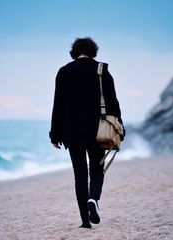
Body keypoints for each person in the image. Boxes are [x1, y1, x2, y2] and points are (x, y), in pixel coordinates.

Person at [49, 37, 124, 229]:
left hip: (71, 132)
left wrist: (54, 134)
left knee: (79, 174)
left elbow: (58, 105)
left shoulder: (64, 72)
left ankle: (85, 221)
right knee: (97, 169)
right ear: (93, 51)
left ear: (75, 51)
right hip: (97, 130)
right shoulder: (102, 70)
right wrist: (119, 126)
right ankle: (94, 199)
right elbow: (113, 103)